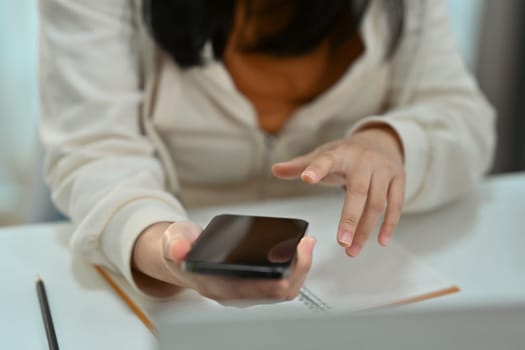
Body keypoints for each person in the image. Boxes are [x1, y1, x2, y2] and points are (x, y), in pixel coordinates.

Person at [39, 0, 495, 301]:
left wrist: (390, 143)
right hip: (163, 271)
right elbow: (95, 148)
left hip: (355, 276)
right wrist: (167, 250)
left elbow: (462, 114)